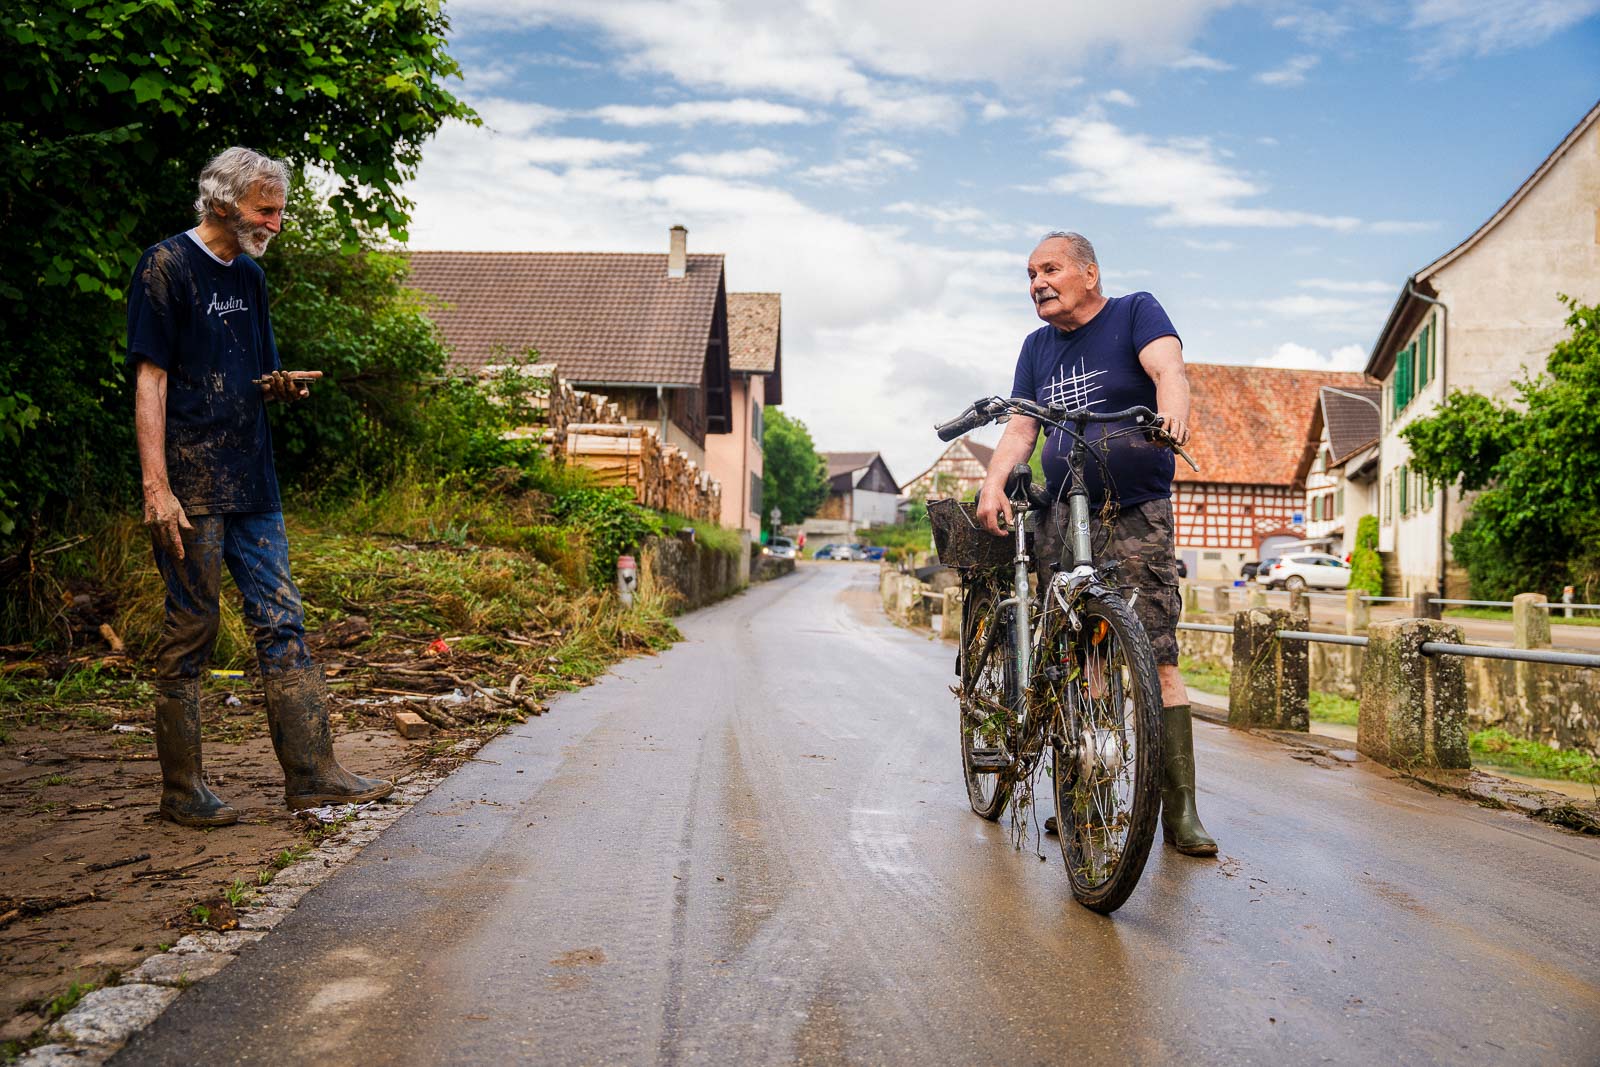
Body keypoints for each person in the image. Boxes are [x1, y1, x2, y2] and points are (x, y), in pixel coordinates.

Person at [127, 147, 392, 827]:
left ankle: (314, 774)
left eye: (278, 210)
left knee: (282, 619)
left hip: (254, 481)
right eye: (263, 209)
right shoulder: (166, 267)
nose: (275, 223)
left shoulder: (250, 278)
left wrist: (282, 386)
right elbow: (150, 380)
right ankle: (182, 790)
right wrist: (157, 486)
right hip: (191, 479)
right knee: (194, 626)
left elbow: (257, 373)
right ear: (222, 203)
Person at [975, 231, 1216, 857]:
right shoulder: (1036, 347)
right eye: (1030, 274)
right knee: (1076, 657)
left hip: (1135, 510)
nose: (1036, 283)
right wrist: (994, 482)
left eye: (1049, 269)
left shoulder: (1136, 310)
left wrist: (1173, 413)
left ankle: (1179, 811)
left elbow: (1169, 369)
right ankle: (1084, 791)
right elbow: (1023, 424)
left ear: (1089, 272)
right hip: (1062, 510)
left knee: (1158, 656)